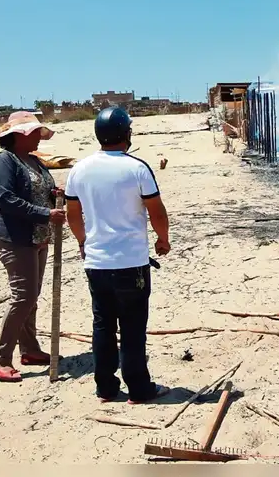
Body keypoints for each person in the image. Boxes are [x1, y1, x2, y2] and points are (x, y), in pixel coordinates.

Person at [64, 106, 171, 404]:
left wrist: (83, 241)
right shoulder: (136, 167)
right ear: (126, 134)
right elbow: (156, 211)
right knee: (133, 327)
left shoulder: (80, 169)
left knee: (103, 325)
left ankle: (106, 388)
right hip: (131, 263)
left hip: (96, 263)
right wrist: (163, 240)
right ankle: (139, 388)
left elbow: (74, 212)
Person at [0, 111, 67, 382]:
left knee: (31, 297)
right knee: (23, 297)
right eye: (34, 133)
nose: (39, 138)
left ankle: (30, 349)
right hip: (16, 238)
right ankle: (1, 359)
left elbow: (42, 189)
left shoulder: (33, 161)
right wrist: (45, 214)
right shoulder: (3, 163)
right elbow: (5, 199)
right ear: (20, 136)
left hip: (38, 237)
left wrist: (55, 196)